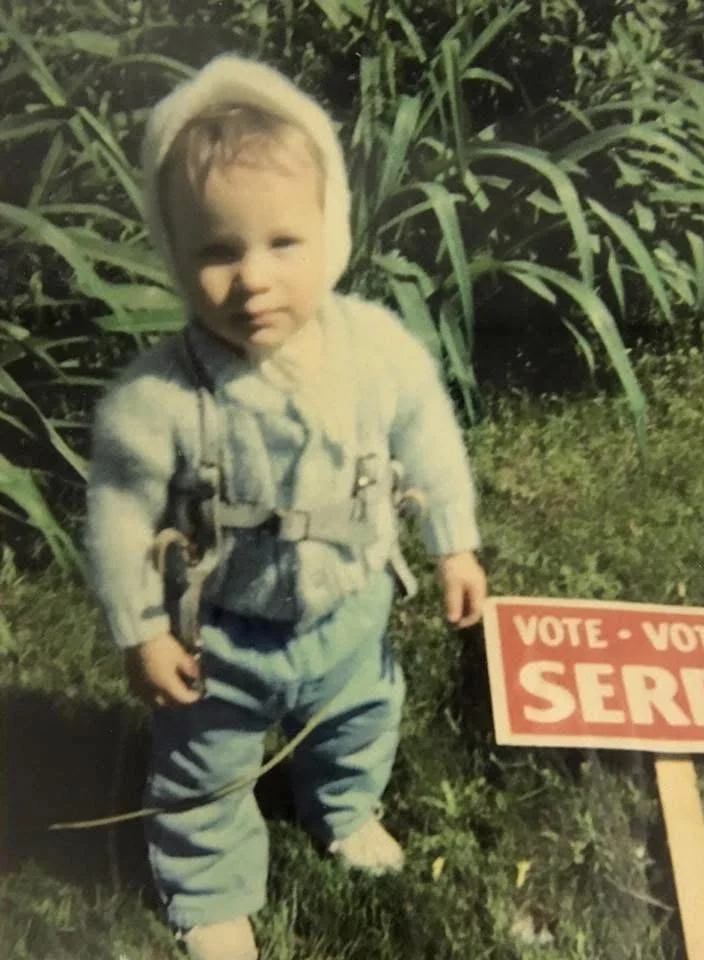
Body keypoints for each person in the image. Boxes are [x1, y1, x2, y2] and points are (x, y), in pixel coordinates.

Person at [86, 53, 487, 960]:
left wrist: (453, 545)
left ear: (332, 231)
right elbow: (117, 516)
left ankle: (343, 811)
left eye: (282, 245)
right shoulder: (160, 396)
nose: (253, 279)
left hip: (350, 608)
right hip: (219, 635)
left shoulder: (374, 347)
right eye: (218, 252)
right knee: (203, 767)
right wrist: (140, 629)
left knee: (361, 719)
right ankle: (210, 890)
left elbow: (428, 434)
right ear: (174, 257)